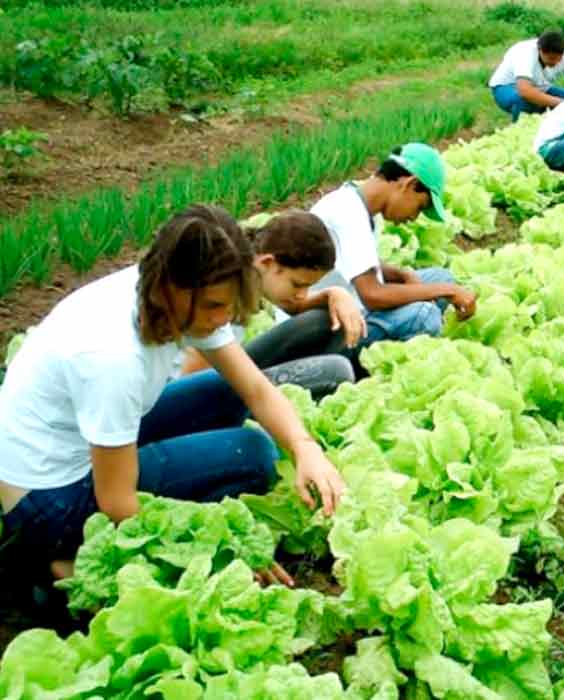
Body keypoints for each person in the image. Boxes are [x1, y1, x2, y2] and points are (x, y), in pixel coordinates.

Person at [0, 205, 346, 593]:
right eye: (216, 306)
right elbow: (116, 501)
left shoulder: (173, 293)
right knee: (253, 455)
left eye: (228, 306)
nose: (222, 318)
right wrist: (214, 545)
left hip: (77, 440)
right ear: (173, 288)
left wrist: (305, 448)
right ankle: (64, 561)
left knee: (225, 390)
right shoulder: (112, 356)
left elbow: (255, 388)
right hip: (48, 499)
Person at [286, 143, 476, 377]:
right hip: (326, 331)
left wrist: (401, 274)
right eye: (420, 207)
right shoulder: (348, 213)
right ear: (410, 184)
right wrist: (445, 291)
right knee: (424, 315)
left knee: (439, 276)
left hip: (350, 306)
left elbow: (351, 263)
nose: (414, 217)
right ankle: (374, 370)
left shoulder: (358, 201)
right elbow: (373, 295)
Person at [177, 211, 362, 400]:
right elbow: (192, 379)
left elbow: (297, 307)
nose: (302, 295)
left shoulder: (251, 272)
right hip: (195, 390)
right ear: (267, 262)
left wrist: (335, 294)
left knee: (328, 320)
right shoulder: (222, 292)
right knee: (336, 371)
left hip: (224, 372)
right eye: (297, 285)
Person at [489, 31, 564, 122]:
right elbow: (525, 91)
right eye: (551, 59)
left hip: (539, 87)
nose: (556, 62)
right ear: (540, 50)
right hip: (505, 87)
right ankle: (520, 129)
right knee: (524, 101)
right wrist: (561, 103)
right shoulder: (525, 53)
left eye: (559, 59)